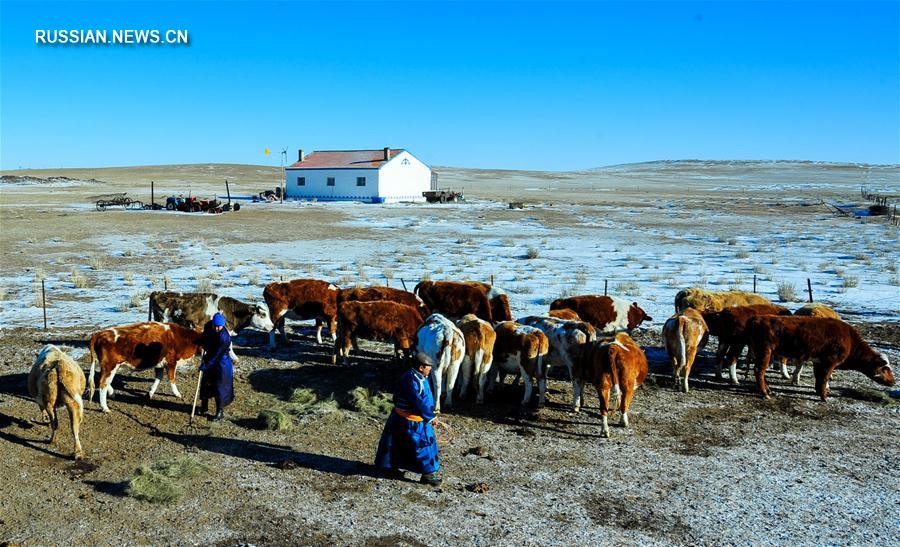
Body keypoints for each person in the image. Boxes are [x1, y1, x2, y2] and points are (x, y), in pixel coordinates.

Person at [374, 353, 442, 486]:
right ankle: (427, 475)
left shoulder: (419, 376)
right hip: (411, 421)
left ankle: (391, 467)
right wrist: (430, 416)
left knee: (398, 444)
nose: (430, 369)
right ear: (421, 367)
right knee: (423, 446)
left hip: (409, 418)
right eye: (429, 366)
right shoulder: (410, 380)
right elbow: (418, 400)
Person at [199, 312, 234, 422]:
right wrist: (204, 343)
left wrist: (206, 365)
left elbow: (217, 355)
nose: (218, 328)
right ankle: (204, 407)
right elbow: (205, 336)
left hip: (222, 363)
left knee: (220, 387)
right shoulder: (209, 326)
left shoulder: (225, 338)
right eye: (216, 326)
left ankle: (220, 412)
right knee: (206, 383)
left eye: (220, 326)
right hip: (210, 357)